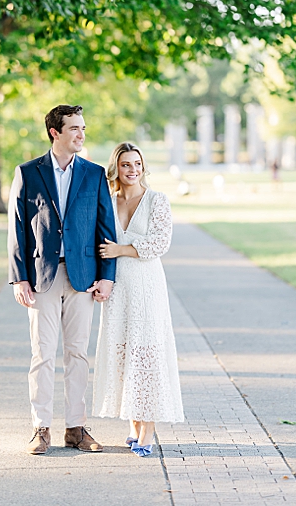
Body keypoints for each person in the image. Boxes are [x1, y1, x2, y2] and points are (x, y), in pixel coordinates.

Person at [7, 104, 117, 455]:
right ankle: (40, 429)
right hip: (42, 278)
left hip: (83, 277)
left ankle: (76, 428)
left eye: (83, 128)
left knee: (78, 354)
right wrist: (19, 279)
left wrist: (107, 277)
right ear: (55, 132)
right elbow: (17, 230)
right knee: (42, 354)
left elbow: (106, 228)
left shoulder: (94, 174)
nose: (81, 135)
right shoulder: (28, 173)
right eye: (74, 129)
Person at [93, 142, 184, 457]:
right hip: (118, 287)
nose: (132, 170)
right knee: (122, 352)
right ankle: (132, 423)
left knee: (146, 354)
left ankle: (148, 429)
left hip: (146, 284)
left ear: (144, 167)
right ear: (116, 168)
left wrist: (121, 250)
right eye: (125, 165)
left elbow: (161, 242)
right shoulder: (108, 200)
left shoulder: (157, 200)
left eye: (137, 164)